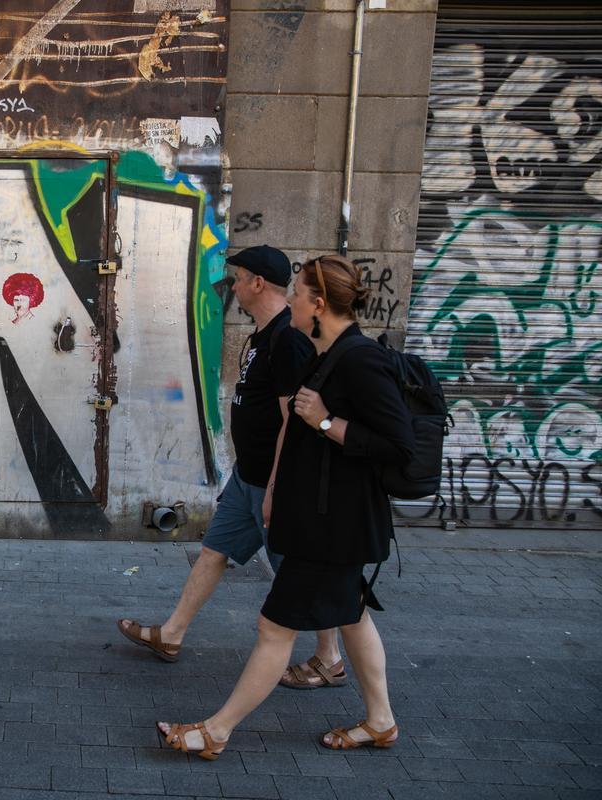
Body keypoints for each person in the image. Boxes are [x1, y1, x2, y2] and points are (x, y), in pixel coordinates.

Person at [156, 254, 415, 759]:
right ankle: (381, 721)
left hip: (334, 524)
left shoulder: (361, 358)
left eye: (296, 292)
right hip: (320, 519)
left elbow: (398, 444)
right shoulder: (327, 352)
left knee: (274, 628)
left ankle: (217, 731)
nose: (290, 299)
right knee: (353, 615)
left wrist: (323, 422)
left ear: (318, 304)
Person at [116, 245, 313, 662]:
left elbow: (294, 425)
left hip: (270, 484)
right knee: (213, 550)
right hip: (249, 477)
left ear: (258, 283)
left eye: (238, 278)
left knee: (306, 574)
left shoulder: (287, 340)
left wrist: (277, 487)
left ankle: (330, 656)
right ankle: (171, 634)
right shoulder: (263, 335)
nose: (234, 286)